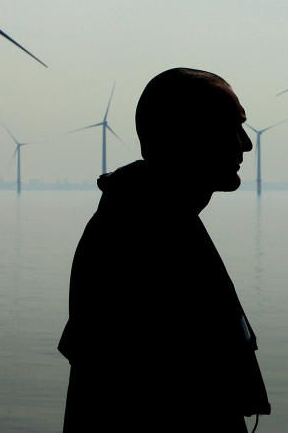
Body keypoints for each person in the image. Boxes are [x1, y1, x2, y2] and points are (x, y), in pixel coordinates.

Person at [58, 68, 271, 432]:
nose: (246, 144)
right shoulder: (141, 240)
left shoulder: (156, 219)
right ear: (186, 135)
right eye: (231, 127)